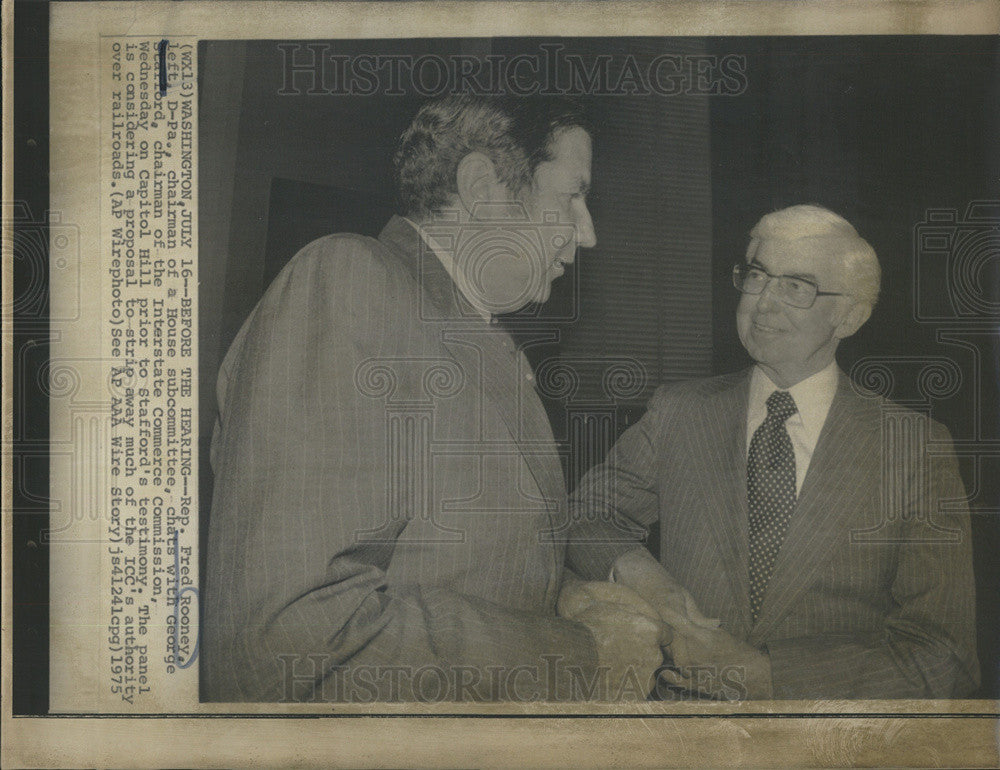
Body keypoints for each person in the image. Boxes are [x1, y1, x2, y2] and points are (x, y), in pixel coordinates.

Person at [203, 95, 672, 702]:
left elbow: (444, 566)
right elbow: (286, 643)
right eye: (572, 196)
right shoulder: (350, 279)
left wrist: (564, 597)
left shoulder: (477, 339)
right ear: (482, 184)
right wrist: (579, 654)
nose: (587, 233)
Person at [562, 204, 979, 699]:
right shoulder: (680, 412)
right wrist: (642, 574)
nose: (763, 303)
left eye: (796, 286)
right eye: (758, 276)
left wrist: (768, 676)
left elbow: (942, 654)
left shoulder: (912, 448)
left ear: (850, 315)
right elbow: (585, 515)